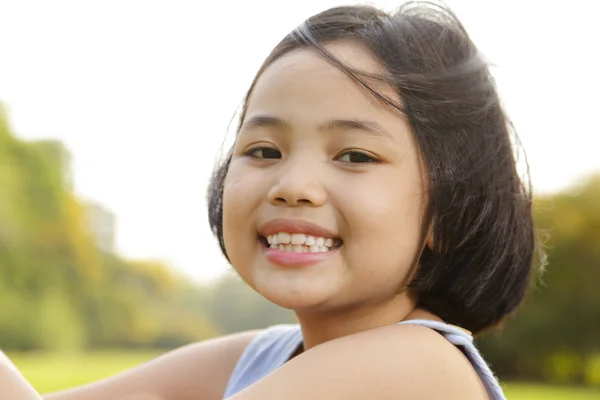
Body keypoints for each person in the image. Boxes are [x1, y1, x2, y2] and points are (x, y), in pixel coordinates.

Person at [0, 2, 540, 399]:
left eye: (354, 155)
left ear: (450, 209)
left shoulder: (418, 367)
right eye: (263, 149)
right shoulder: (260, 357)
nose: (292, 184)